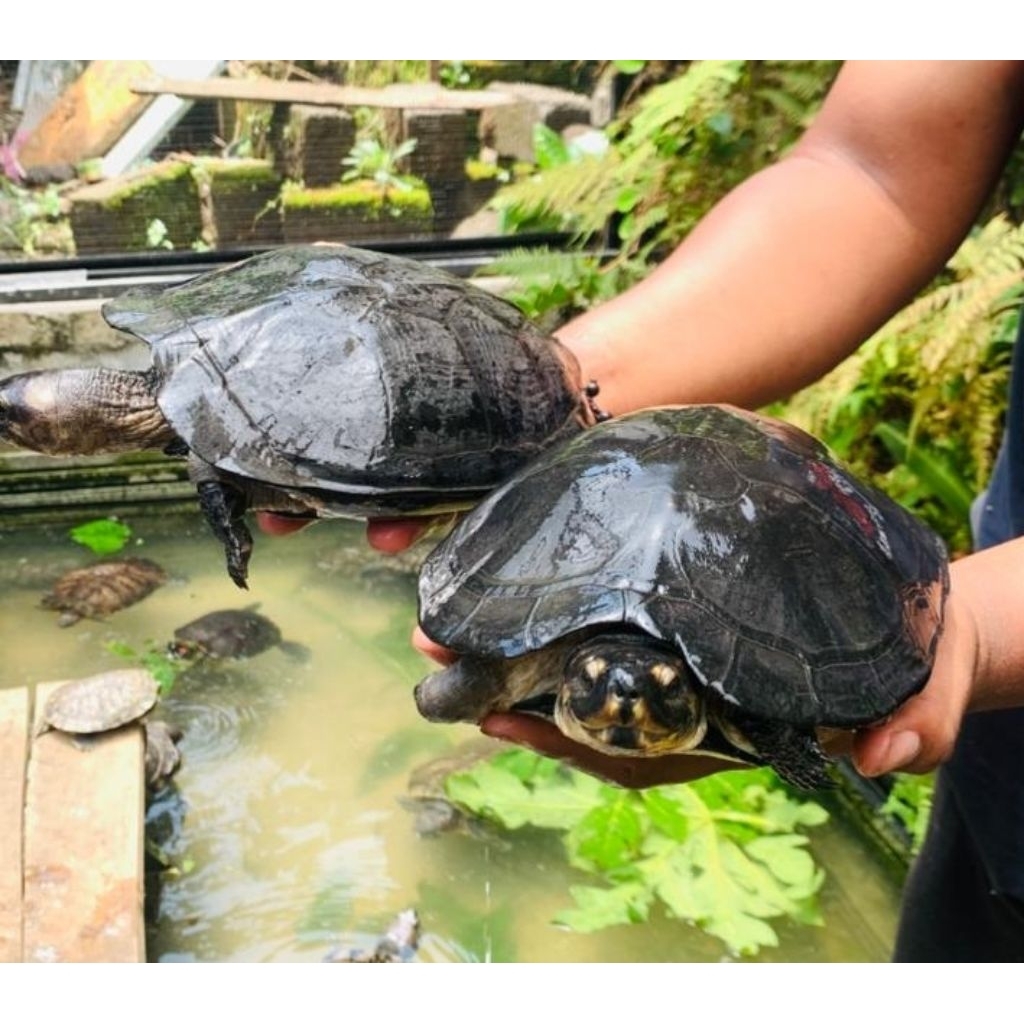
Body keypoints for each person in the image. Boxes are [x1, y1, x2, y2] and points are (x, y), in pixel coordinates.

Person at [263, 61, 1024, 959]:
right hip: (1000, 784)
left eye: (648, 697)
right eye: (602, 688)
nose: (622, 709)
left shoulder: (755, 700)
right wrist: (530, 397)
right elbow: (873, 173)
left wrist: (977, 630)